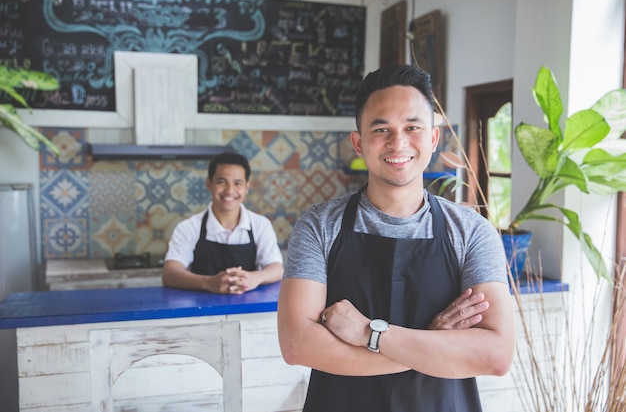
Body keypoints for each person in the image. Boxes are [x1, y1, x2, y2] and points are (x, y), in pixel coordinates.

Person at [277, 64, 515, 411]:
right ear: (358, 143)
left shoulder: (471, 231)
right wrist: (430, 345)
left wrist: (369, 333)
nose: (398, 142)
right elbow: (297, 345)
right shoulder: (319, 226)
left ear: (433, 139)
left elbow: (495, 355)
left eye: (412, 127)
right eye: (381, 128)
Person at [162, 152, 283, 294]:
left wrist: (255, 278)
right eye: (221, 182)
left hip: (250, 313)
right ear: (209, 184)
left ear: (247, 187)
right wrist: (208, 283)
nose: (229, 190)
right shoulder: (188, 227)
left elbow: (277, 269)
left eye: (237, 183)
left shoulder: (261, 225)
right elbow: (170, 273)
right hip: (199, 313)